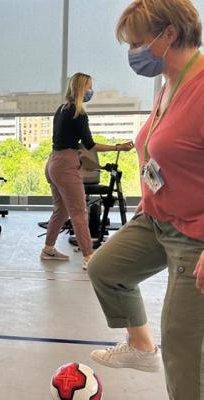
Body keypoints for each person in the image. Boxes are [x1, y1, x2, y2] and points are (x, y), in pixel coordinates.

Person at [87, 1, 204, 399]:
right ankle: (140, 346)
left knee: (184, 344)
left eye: (137, 42)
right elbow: (162, 153)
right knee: (104, 268)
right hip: (157, 218)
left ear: (168, 34)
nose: (132, 53)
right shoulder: (170, 85)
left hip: (196, 233)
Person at [41, 72, 133, 269]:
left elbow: (68, 140)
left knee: (62, 209)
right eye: (90, 87)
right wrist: (118, 147)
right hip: (65, 166)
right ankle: (89, 257)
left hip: (53, 163)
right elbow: (90, 145)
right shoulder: (79, 113)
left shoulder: (62, 109)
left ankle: (48, 249)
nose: (92, 90)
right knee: (78, 212)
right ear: (82, 89)